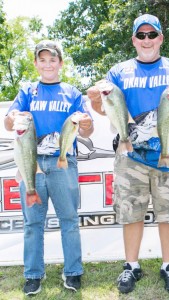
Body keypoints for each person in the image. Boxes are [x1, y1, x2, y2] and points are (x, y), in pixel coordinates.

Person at [87, 14, 169, 295]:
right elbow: (106, 110)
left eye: (153, 35)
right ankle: (131, 266)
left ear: (161, 38)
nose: (147, 40)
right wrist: (95, 101)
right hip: (129, 157)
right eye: (142, 35)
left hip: (168, 154)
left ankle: (168, 266)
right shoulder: (118, 72)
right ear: (134, 40)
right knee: (131, 213)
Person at [4, 40, 94, 296]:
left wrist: (86, 123)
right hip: (31, 162)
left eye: (52, 59)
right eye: (42, 60)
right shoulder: (27, 91)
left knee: (69, 219)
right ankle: (33, 275)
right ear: (35, 63)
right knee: (33, 223)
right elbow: (9, 123)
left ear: (60, 63)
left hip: (63, 161)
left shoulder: (72, 92)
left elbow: (88, 128)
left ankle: (73, 271)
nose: (47, 64)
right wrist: (12, 117)